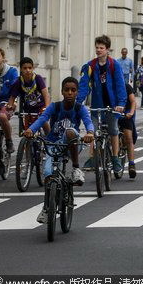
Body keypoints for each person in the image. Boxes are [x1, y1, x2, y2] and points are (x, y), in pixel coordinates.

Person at [24, 77, 94, 223]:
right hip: (53, 146)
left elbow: (88, 121)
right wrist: (31, 130)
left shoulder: (79, 108)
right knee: (49, 175)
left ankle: (76, 169)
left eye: (73, 90)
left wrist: (90, 133)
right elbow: (42, 119)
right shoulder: (54, 107)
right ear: (62, 91)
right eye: (66, 90)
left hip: (72, 145)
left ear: (77, 92)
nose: (69, 93)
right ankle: (46, 208)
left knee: (70, 132)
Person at [77, 35, 127, 176]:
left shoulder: (114, 65)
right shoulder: (90, 66)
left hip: (113, 105)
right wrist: (78, 103)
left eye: (101, 48)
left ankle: (116, 159)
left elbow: (120, 85)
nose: (98, 50)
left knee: (113, 130)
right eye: (97, 48)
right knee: (93, 131)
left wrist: (121, 104)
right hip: (97, 105)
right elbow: (84, 86)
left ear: (107, 50)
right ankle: (93, 158)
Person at [6, 57, 50, 134]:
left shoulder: (38, 78)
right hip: (28, 110)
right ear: (21, 69)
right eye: (25, 68)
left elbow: (46, 94)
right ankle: (27, 145)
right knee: (28, 131)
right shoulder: (19, 81)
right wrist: (9, 107)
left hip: (41, 107)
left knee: (43, 121)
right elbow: (12, 97)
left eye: (30, 68)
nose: (28, 70)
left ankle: (50, 137)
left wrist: (47, 108)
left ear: (33, 68)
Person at [0, 46, 19, 153]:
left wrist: (14, 102)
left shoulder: (12, 71)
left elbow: (16, 88)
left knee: (2, 116)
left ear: (3, 57)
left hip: (8, 102)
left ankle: (9, 141)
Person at [119, 82, 137, 178]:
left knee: (129, 138)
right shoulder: (108, 86)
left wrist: (131, 113)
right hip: (113, 114)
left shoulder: (126, 86)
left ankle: (131, 164)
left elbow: (133, 101)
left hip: (125, 115)